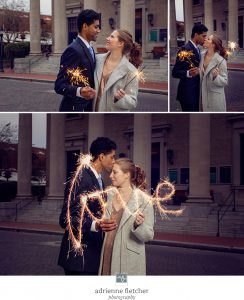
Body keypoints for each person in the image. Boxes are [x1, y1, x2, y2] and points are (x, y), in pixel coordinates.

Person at [58, 137, 117, 275]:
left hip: (91, 258)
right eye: (112, 157)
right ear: (101, 157)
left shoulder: (98, 179)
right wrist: (95, 225)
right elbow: (66, 219)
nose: (114, 161)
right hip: (79, 261)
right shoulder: (82, 177)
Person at [98, 158, 154, 275]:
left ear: (127, 175)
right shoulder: (109, 195)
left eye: (115, 172)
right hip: (107, 256)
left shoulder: (144, 200)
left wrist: (137, 225)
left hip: (127, 262)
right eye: (111, 172)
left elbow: (148, 235)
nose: (110, 176)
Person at [54, 9, 100, 112]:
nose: (99, 30)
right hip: (74, 110)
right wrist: (80, 91)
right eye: (96, 27)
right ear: (85, 26)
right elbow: (59, 85)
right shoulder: (73, 50)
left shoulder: (90, 48)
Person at [93, 29, 142, 112]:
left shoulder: (131, 71)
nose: (107, 38)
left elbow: (133, 102)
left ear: (120, 43)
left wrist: (122, 98)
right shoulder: (97, 59)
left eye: (112, 37)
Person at [172, 24, 208, 112]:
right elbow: (175, 72)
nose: (205, 39)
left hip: (196, 94)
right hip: (188, 95)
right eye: (203, 36)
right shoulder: (185, 49)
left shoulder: (198, 50)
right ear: (196, 35)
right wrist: (188, 73)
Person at [199, 34, 228, 111]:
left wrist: (216, 77)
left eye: (208, 39)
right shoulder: (201, 56)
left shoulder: (221, 61)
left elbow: (225, 81)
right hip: (202, 98)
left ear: (213, 45)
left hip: (215, 100)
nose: (205, 39)